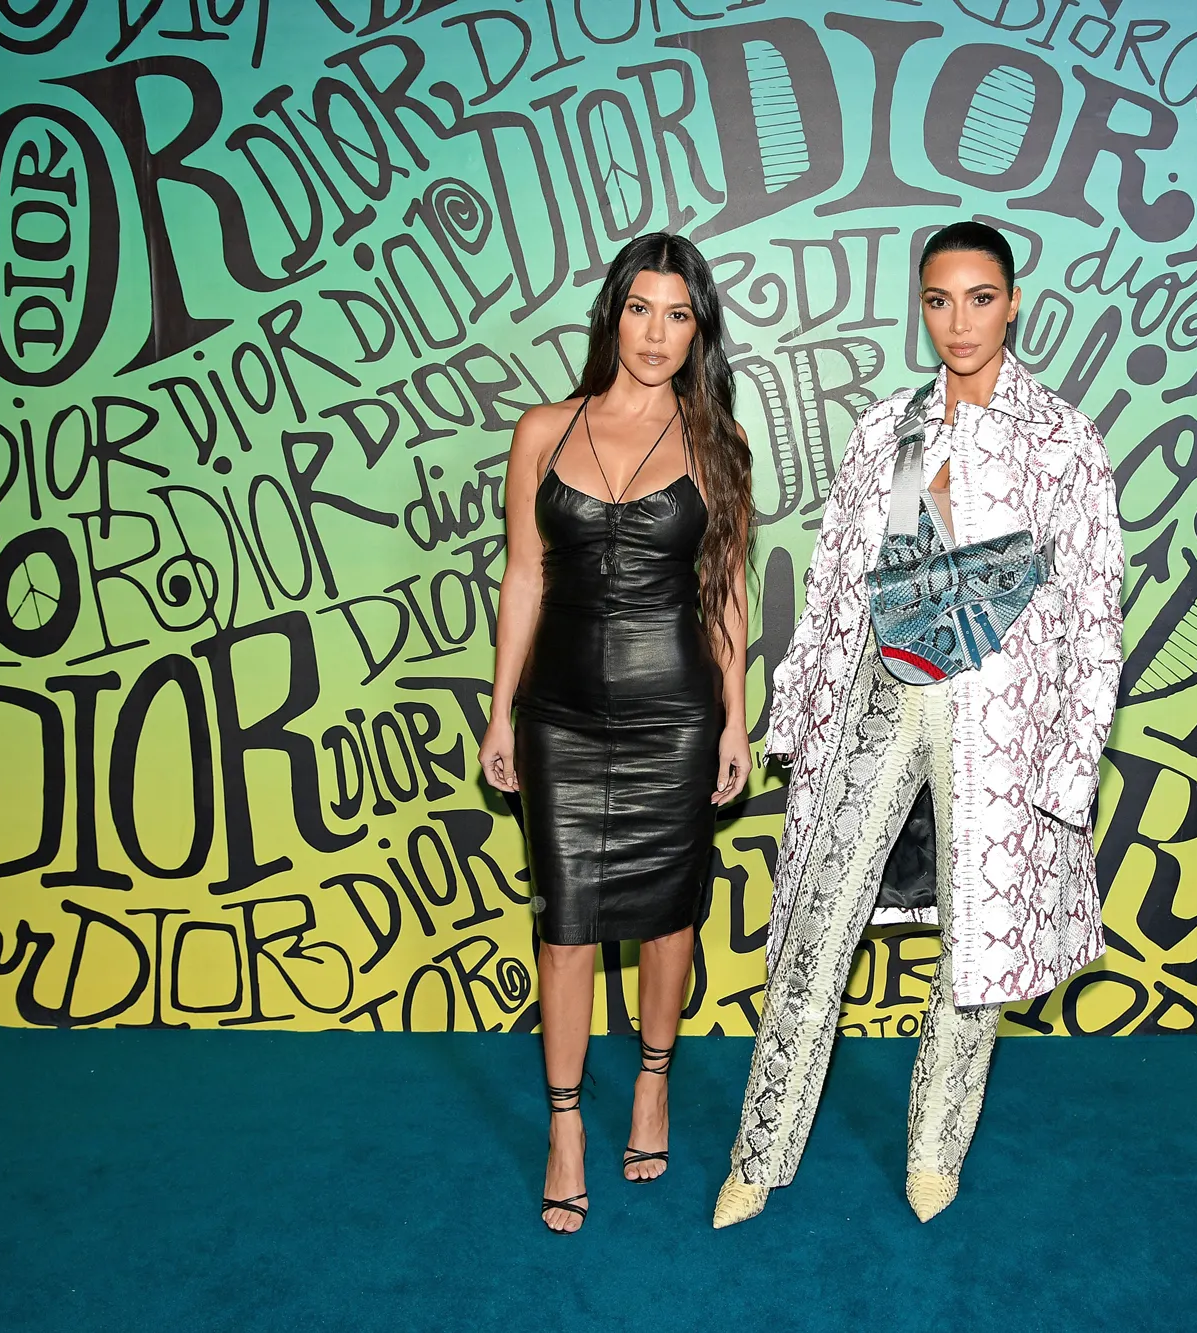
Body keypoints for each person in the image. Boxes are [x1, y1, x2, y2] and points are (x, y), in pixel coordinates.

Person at [713, 220, 1125, 1228]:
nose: (958, 322)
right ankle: (759, 1154)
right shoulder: (889, 428)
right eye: (938, 300)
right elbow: (834, 583)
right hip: (882, 693)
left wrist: (1071, 764)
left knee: (974, 954)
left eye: (979, 298)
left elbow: (1092, 608)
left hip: (1002, 725)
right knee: (813, 927)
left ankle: (935, 1153)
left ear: (1013, 302)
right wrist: (801, 711)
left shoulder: (1061, 437)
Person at [481, 233, 753, 1234]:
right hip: (558, 716)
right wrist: (499, 708)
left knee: (669, 919)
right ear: (612, 316)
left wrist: (733, 717)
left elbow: (724, 591)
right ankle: (564, 1124)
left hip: (673, 715)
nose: (655, 332)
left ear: (697, 332)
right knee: (564, 927)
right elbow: (523, 575)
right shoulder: (542, 429)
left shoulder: (717, 443)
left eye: (678, 315)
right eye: (641, 308)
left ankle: (651, 1083)